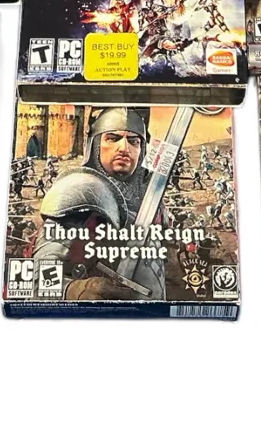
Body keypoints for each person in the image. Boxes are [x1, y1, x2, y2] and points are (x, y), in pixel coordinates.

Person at [32, 107, 165, 299]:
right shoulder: (78, 192)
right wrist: (74, 290)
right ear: (95, 145)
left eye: (133, 141)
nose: (124, 148)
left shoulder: (152, 199)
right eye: (112, 138)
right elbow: (39, 279)